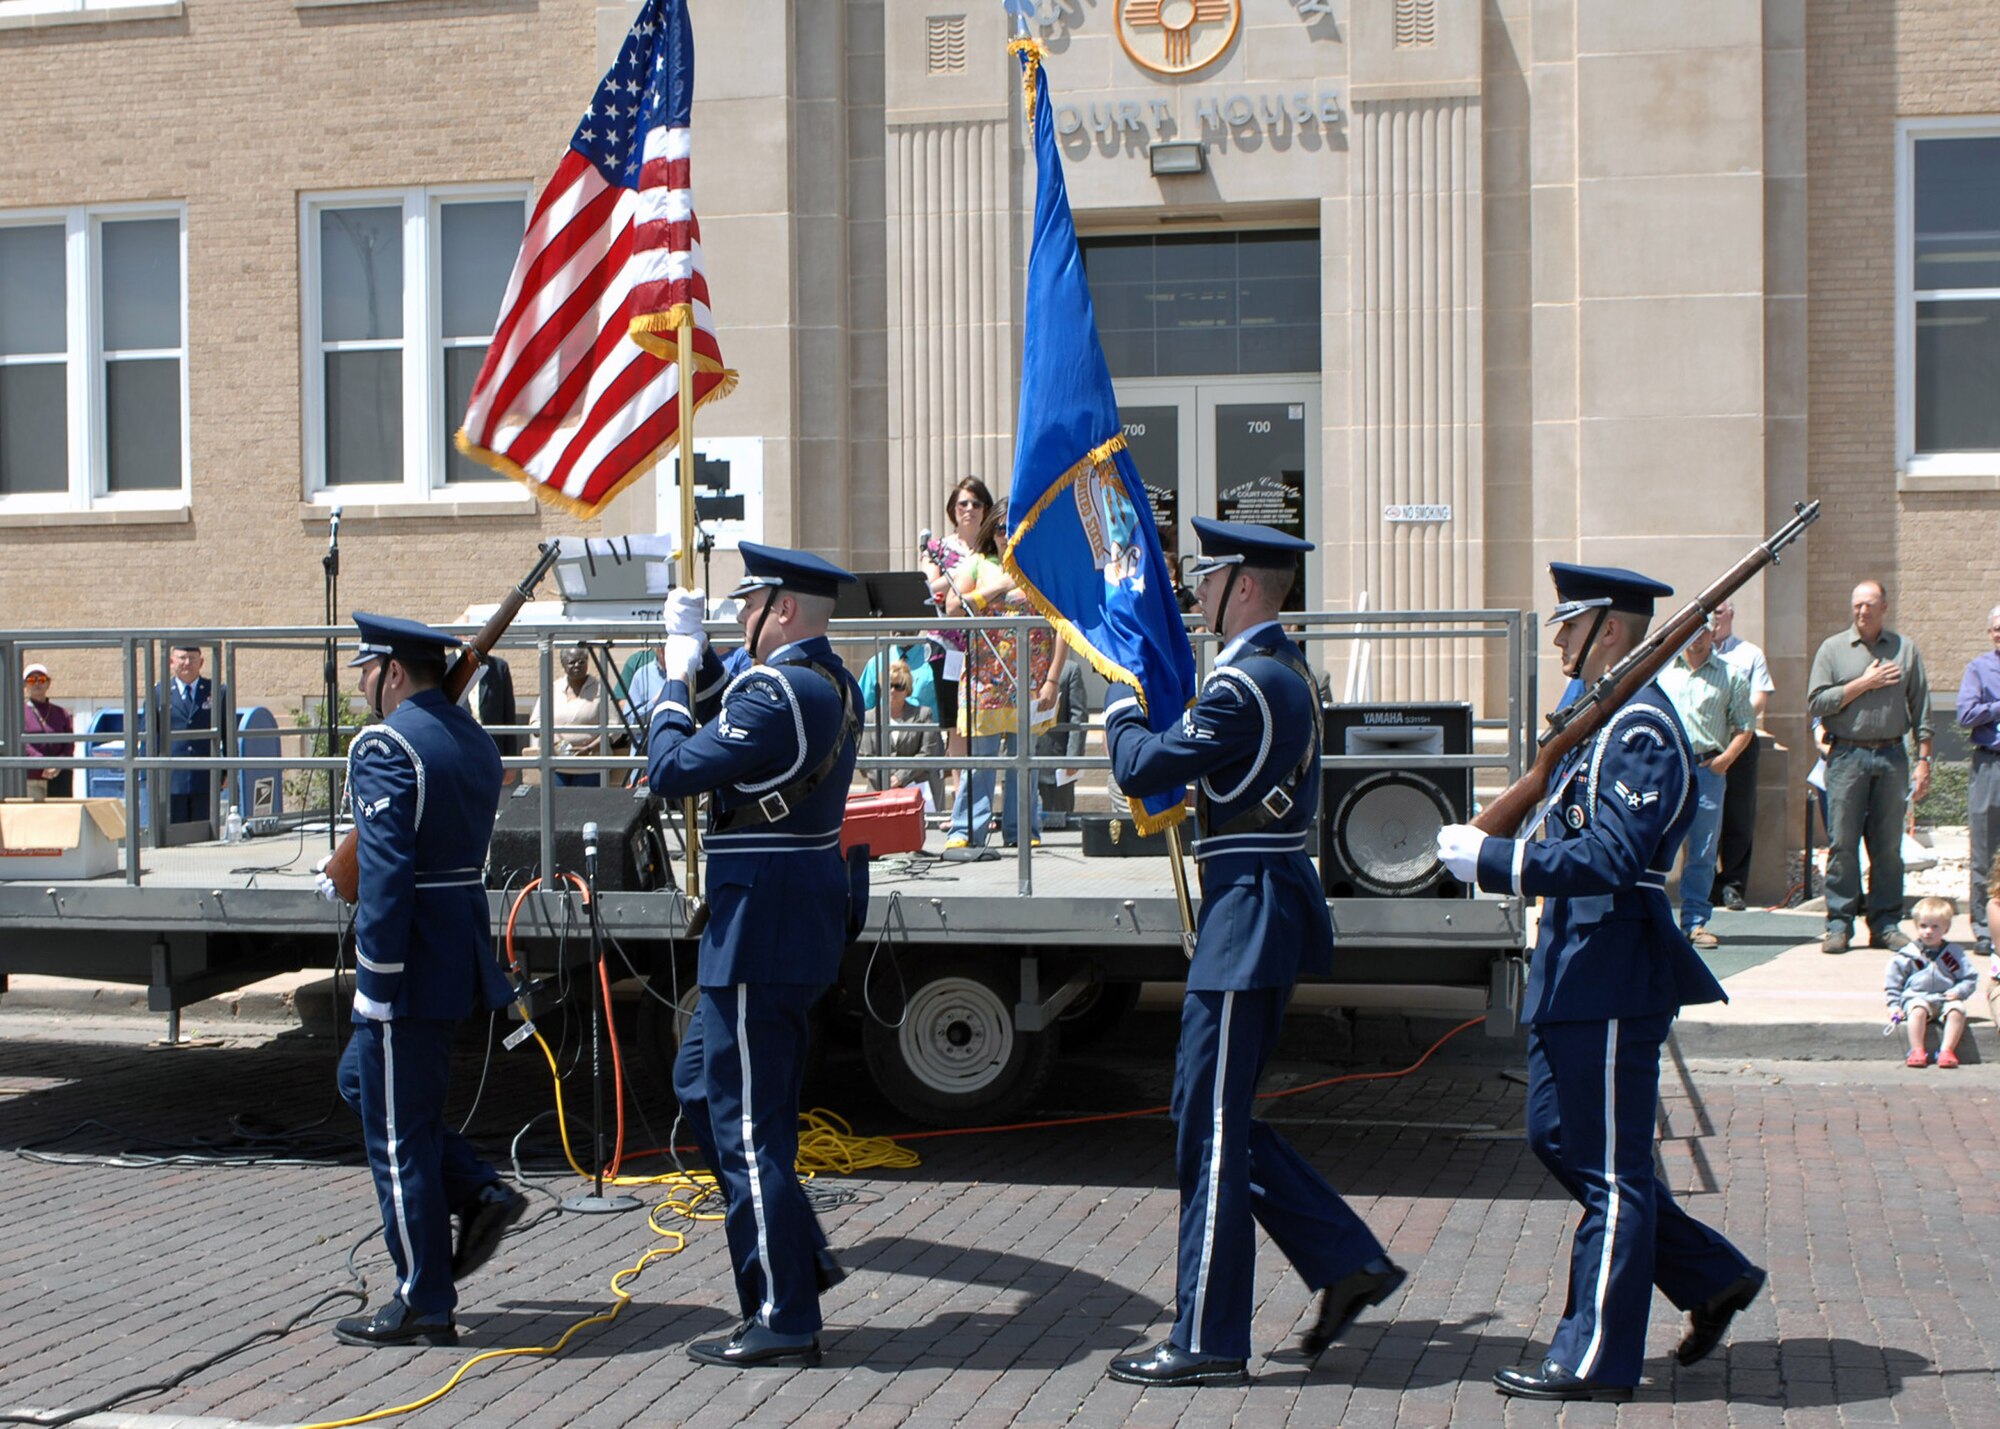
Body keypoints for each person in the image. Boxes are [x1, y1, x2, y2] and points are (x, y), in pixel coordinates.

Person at [1435, 562, 1764, 1403]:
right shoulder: (1596, 726)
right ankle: (1711, 1273)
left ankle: (1593, 1358)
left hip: (1613, 967)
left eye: (1569, 623)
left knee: (1612, 1173)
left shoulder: (1641, 730)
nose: (1556, 637)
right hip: (1575, 968)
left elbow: (1612, 857)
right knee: (1559, 1137)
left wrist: (1498, 859)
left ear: (1609, 632)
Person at [1102, 519, 1403, 1388]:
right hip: (1253, 907)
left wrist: (1119, 694)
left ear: (1241, 585)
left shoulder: (1247, 684)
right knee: (1210, 1113)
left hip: (1250, 916)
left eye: (1206, 579)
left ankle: (1208, 1335)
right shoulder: (1270, 672)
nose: (1195, 594)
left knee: (1210, 1124)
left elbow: (1142, 764)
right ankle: (1346, 1259)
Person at [646, 543, 861, 1369]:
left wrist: (672, 671)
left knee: (747, 1124)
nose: (740, 618)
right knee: (700, 1082)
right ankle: (796, 1253)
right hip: (787, 917)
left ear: (782, 609)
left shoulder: (778, 690)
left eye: (749, 605)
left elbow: (669, 767)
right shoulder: (831, 682)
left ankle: (783, 1310)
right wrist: (704, 659)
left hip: (757, 928)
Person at [317, 613, 528, 1348]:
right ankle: (475, 1185)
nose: (366, 691)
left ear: (393, 673)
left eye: (369, 675)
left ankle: (422, 1297)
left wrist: (374, 982)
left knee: (398, 1136)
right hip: (457, 948)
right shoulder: (472, 737)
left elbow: (385, 873)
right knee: (363, 1084)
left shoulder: (386, 742)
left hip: (406, 963)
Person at [1807, 580, 1933, 955]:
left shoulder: (1905, 650)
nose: (1863, 611)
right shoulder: (1832, 649)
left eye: (1870, 605)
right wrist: (1864, 683)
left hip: (1893, 758)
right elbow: (1817, 702)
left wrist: (1924, 760)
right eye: (1858, 605)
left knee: (1888, 848)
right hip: (1846, 757)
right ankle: (1839, 924)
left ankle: (1885, 924)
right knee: (1842, 844)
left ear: (1884, 608)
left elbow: (1922, 710)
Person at [1657, 622, 1754, 949]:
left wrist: (1725, 761)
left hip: (1707, 772)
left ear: (1713, 635)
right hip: (1668, 771)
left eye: (1702, 632)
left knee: (1702, 851)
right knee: (1654, 846)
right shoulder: (1663, 673)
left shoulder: (1731, 676)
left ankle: (1696, 923)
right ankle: (1651, 920)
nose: (1695, 638)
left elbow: (1745, 727)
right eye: (1690, 631)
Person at [917, 476, 996, 750]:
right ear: (953, 509)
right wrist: (961, 572)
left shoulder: (994, 549)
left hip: (991, 648)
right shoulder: (937, 549)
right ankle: (960, 789)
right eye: (963, 503)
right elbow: (926, 588)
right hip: (948, 646)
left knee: (987, 719)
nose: (970, 509)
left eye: (977, 503)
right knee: (955, 723)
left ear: (986, 509)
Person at [1709, 600, 1775, 910]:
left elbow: (1760, 696)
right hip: (1705, 744)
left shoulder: (1750, 654)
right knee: (1704, 814)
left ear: (1732, 615)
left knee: (1738, 815)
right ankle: (1705, 883)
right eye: (1708, 613)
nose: (1713, 619)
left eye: (1719, 613)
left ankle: (1732, 886)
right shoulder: (1693, 653)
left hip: (1740, 741)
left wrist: (1737, 718)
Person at [1883, 896, 1977, 1069]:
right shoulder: (1908, 955)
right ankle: (1917, 1050)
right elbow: (1894, 982)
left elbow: (1969, 977)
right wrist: (1894, 1005)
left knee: (1957, 1011)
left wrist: (1959, 991)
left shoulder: (1953, 953)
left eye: (1935, 927)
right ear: (1916, 926)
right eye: (1923, 926)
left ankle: (1946, 1051)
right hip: (1917, 997)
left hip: (1944, 998)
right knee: (1917, 1010)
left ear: (1946, 928)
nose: (1928, 931)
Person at [1955, 603, 2000, 957]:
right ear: (1990, 633)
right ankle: (1985, 929)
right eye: (1996, 628)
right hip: (1991, 766)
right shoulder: (1979, 669)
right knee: (1984, 850)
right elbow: (1965, 713)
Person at [155, 644, 227, 824]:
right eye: (182, 658)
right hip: (170, 779)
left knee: (205, 836)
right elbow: (150, 735)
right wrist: (148, 776)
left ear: (201, 662)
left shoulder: (216, 691)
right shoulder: (159, 692)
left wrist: (227, 771)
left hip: (205, 778)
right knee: (172, 838)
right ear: (171, 662)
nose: (187, 663)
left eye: (192, 659)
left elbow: (227, 734)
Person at [860, 659, 945, 810]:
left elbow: (928, 753)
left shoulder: (923, 715)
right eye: (889, 685)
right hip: (877, 792)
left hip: (916, 791)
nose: (892, 691)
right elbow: (866, 758)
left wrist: (899, 778)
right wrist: (886, 781)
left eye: (898, 686)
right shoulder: (869, 718)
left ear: (908, 689)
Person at [525, 642, 610, 787]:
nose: (577, 665)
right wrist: (554, 740)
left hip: (591, 767)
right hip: (556, 764)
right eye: (572, 662)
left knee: (586, 808)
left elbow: (614, 729)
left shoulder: (601, 689)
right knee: (557, 807)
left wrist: (588, 749)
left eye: (581, 661)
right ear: (564, 664)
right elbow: (535, 723)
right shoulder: (552, 689)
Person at [1036, 657, 1089, 831]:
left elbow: (1078, 717)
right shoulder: (1015, 665)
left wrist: (1072, 758)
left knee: (1059, 828)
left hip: (1056, 767)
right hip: (1019, 767)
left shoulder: (1070, 670)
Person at [458, 650, 520, 785]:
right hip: (457, 752)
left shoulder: (498, 667)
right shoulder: (445, 665)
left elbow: (508, 714)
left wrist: (511, 760)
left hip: (489, 751)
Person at [22, 663, 74, 798]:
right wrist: (42, 762)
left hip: (59, 775)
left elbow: (69, 743)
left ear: (48, 684)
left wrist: (58, 764)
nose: (37, 683)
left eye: (42, 679)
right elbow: (22, 744)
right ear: (25, 685)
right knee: (34, 816)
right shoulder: (19, 712)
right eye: (31, 680)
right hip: (32, 776)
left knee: (59, 816)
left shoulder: (61, 712)